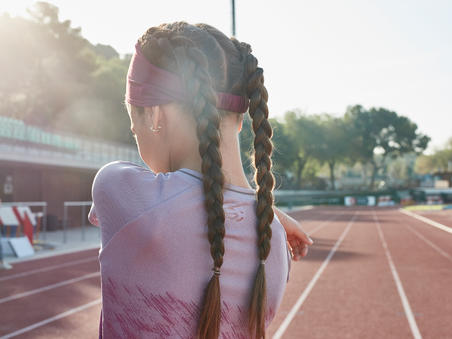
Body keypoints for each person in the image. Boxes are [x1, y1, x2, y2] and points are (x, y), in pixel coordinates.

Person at [88, 22, 313, 339]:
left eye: (132, 121)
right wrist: (268, 211)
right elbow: (218, 204)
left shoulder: (118, 188)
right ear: (238, 122)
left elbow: (175, 200)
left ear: (154, 116)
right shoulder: (272, 240)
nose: (134, 133)